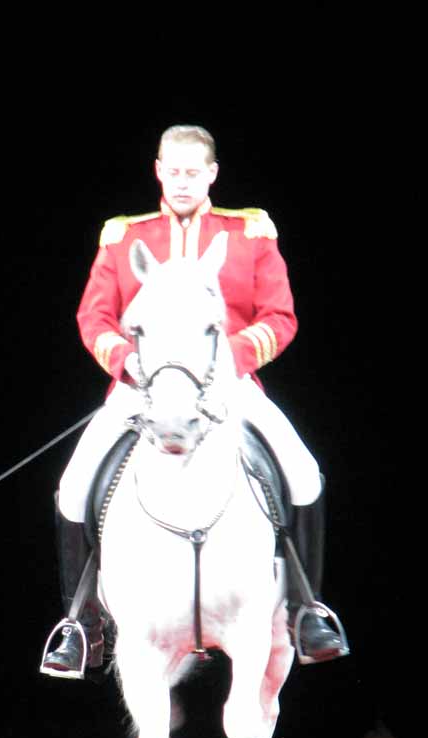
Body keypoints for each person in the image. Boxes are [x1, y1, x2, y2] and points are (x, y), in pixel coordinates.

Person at [40, 124, 349, 679]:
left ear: (211, 174)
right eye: (172, 171)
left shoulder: (249, 231)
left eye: (193, 173)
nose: (182, 183)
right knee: (73, 485)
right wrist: (123, 361)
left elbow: (280, 317)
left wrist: (228, 358)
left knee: (305, 473)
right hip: (142, 388)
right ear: (158, 170)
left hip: (229, 386)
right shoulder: (124, 236)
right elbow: (95, 316)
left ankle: (307, 611)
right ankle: (82, 622)